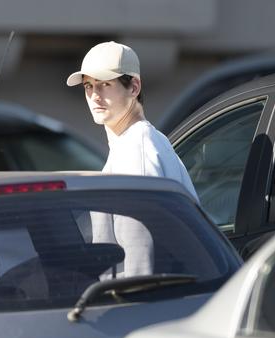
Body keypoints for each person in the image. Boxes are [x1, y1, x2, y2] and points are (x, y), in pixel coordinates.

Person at [66, 41, 198, 278]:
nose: (94, 96)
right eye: (88, 86)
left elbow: (142, 256)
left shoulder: (136, 151)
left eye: (105, 84)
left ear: (134, 86)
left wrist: (134, 308)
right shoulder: (140, 142)